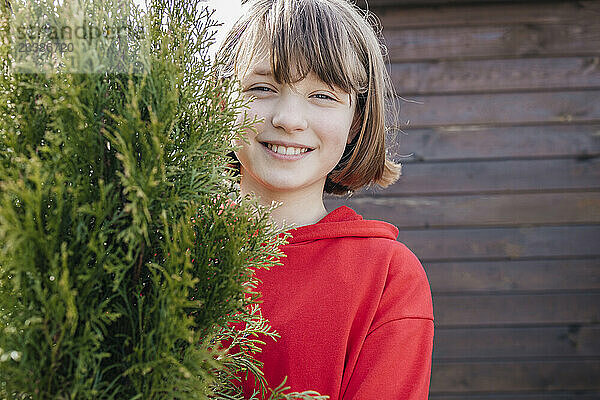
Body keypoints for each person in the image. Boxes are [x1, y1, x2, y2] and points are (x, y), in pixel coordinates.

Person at [214, 0, 434, 398]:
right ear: (220, 102)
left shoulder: (387, 277)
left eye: (323, 95)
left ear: (356, 122)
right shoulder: (157, 248)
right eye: (261, 87)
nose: (289, 118)